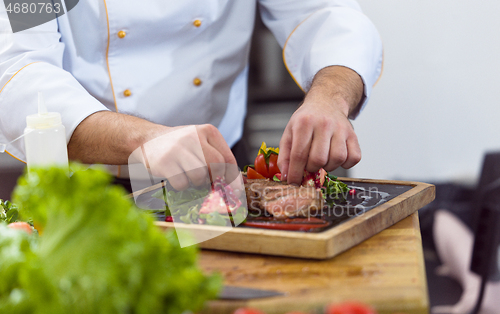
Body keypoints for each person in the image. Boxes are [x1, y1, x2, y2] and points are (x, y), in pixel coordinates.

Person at [0, 0, 382, 189]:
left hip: (216, 168)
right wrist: (143, 138)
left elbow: (322, 12)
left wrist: (330, 96)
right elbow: (18, 68)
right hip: (84, 182)